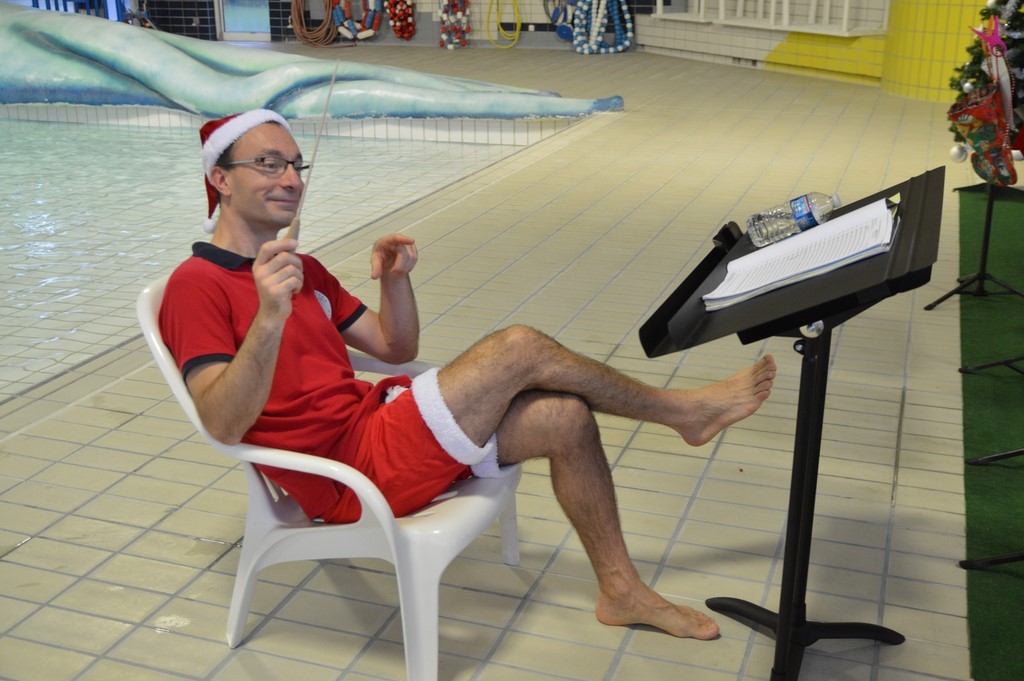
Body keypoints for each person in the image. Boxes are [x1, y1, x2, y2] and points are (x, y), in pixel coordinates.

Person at [160, 109, 778, 641]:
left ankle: (621, 592)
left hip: (378, 422)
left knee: (564, 418)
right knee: (518, 347)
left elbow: (395, 346)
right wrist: (268, 318)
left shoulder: (300, 267)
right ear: (220, 177)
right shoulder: (197, 288)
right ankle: (683, 414)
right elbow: (220, 422)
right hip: (351, 475)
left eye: (297, 165)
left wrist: (393, 281)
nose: (291, 179)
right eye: (269, 164)